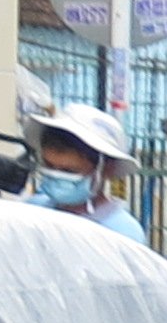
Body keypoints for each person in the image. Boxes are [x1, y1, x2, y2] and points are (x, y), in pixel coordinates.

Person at [27, 99, 151, 244]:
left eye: (69, 171)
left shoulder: (122, 233)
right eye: (49, 166)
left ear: (106, 169)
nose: (55, 175)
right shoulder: (33, 211)